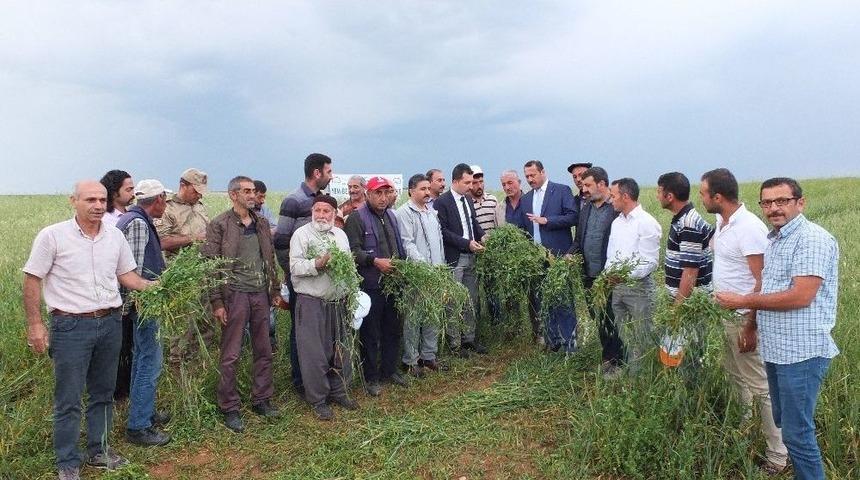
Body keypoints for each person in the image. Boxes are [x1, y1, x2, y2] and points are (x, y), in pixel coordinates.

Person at [23, 180, 154, 480]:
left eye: (102, 200)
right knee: (68, 399)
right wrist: (35, 325)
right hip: (70, 327)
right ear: (74, 201)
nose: (97, 205)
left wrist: (157, 287)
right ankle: (68, 461)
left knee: (103, 393)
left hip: (110, 323)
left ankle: (99, 451)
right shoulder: (53, 236)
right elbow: (32, 279)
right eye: (90, 200)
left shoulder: (114, 236)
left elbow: (127, 276)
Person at [716, 177, 839, 480]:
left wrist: (742, 301)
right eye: (767, 202)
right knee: (786, 423)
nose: (774, 208)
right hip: (777, 349)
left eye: (782, 201)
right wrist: (752, 323)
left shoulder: (812, 239)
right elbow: (767, 286)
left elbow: (801, 296)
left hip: (802, 352)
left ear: (800, 203)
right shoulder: (775, 240)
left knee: (797, 433)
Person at [699, 168, 788, 474]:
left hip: (743, 317)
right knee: (735, 375)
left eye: (703, 193)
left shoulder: (749, 227)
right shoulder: (722, 222)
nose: (701, 198)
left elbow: (762, 281)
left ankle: (778, 456)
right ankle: (744, 428)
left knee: (761, 386)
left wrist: (751, 324)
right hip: (725, 314)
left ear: (717, 197)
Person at [203, 176, 283, 433]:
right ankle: (229, 406)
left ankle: (262, 399)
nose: (252, 195)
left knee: (264, 349)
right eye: (246, 191)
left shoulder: (261, 223)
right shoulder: (220, 225)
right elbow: (211, 267)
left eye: (253, 191)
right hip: (234, 296)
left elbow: (269, 257)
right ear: (233, 195)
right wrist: (217, 302)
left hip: (260, 294)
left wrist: (274, 289)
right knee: (231, 354)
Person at [290, 195, 360, 420]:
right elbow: (294, 267)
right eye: (317, 210)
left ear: (334, 213)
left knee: (341, 350)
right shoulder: (301, 235)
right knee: (314, 354)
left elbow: (349, 266)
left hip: (338, 302)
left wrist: (353, 292)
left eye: (326, 211)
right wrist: (317, 264)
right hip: (312, 302)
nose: (321, 215)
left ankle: (339, 392)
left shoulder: (340, 235)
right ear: (312, 212)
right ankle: (318, 400)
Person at [115, 179, 172, 447]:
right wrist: (141, 300)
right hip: (143, 304)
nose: (166, 204)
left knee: (142, 358)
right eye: (165, 199)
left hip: (140, 304)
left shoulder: (132, 218)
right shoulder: (138, 223)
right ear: (158, 199)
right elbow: (134, 272)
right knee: (150, 360)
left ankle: (144, 411)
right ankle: (139, 425)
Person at [273, 153, 334, 395]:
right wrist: (293, 275)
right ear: (317, 173)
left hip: (323, 280)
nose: (331, 176)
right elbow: (281, 242)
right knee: (300, 330)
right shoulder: (294, 200)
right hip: (302, 279)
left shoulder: (320, 200)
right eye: (329, 171)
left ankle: (319, 375)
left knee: (320, 330)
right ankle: (300, 380)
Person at [345, 176, 409, 396]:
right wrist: (374, 261)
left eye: (386, 193)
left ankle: (389, 371)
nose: (383, 198)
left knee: (393, 329)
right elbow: (352, 251)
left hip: (393, 284)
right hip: (371, 286)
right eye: (378, 193)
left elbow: (398, 247)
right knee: (371, 334)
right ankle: (371, 378)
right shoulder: (356, 218)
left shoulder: (391, 215)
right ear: (368, 194)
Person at [517, 160, 578, 353]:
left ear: (543, 172)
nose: (530, 179)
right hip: (536, 260)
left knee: (563, 300)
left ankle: (570, 345)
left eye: (533, 175)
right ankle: (553, 343)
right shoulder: (526, 199)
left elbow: (572, 217)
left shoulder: (561, 191)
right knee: (543, 300)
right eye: (527, 176)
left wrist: (547, 220)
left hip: (558, 256)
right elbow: (523, 228)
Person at [155, 168, 213, 362]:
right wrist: (194, 238)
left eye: (201, 192)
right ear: (183, 185)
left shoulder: (200, 206)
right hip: (180, 272)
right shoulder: (168, 209)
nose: (199, 195)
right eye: (195, 191)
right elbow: (162, 242)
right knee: (183, 317)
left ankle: (200, 358)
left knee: (205, 315)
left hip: (204, 269)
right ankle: (178, 359)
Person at [569, 167, 623, 375]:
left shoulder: (616, 209)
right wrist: (569, 255)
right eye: (583, 186)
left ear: (602, 184)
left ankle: (619, 361)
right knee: (599, 318)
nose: (584, 190)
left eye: (588, 185)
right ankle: (608, 358)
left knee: (612, 318)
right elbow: (578, 240)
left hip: (610, 277)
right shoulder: (586, 210)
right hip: (589, 275)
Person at [657, 172, 714, 366]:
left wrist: (677, 309)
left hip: (690, 304)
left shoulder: (688, 224)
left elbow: (690, 272)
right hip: (686, 301)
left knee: (689, 354)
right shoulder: (683, 219)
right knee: (681, 352)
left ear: (669, 196)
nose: (657, 196)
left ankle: (693, 381)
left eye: (659, 192)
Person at [605, 178, 662, 371]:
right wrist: (608, 275)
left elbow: (650, 262)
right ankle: (633, 374)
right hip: (617, 287)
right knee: (625, 335)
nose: (610, 200)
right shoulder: (617, 223)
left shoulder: (647, 223)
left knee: (643, 335)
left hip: (638, 289)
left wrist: (623, 275)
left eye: (613, 196)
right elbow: (611, 255)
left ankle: (647, 377)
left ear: (625, 196)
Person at [433, 164, 487, 356]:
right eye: (467, 182)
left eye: (472, 182)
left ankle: (469, 340)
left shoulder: (468, 199)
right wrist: (466, 243)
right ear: (455, 181)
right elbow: (443, 231)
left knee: (470, 300)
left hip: (472, 256)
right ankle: (455, 344)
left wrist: (483, 236)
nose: (471, 186)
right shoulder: (442, 202)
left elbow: (473, 223)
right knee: (454, 301)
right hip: (455, 258)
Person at [395, 174, 446, 377]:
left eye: (427, 188)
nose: (427, 192)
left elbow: (439, 242)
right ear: (411, 191)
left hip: (436, 273)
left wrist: (441, 268)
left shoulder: (430, 212)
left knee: (432, 315)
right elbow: (407, 244)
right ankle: (410, 360)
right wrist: (424, 268)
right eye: (422, 189)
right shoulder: (404, 212)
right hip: (417, 275)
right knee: (413, 318)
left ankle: (428, 356)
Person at [99, 169, 136, 399]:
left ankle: (125, 386)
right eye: (128, 189)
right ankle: (115, 390)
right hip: (114, 291)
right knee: (117, 343)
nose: (133, 193)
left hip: (129, 288)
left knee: (127, 341)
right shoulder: (107, 221)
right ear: (114, 193)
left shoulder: (128, 215)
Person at [494, 169, 541, 342]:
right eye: (504, 184)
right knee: (511, 296)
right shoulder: (500, 207)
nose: (507, 187)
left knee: (534, 296)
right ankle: (515, 330)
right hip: (510, 260)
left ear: (519, 183)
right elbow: (499, 232)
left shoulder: (530, 201)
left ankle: (538, 332)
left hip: (531, 258)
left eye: (510, 183)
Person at [252, 179, 278, 352]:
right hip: (248, 272)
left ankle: (270, 343)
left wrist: (260, 234)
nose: (262, 201)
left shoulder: (265, 211)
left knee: (269, 310)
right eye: (260, 197)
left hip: (266, 267)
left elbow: (275, 229)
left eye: (264, 197)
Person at [469, 165, 499, 234]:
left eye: (481, 181)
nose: (479, 186)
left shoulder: (492, 200)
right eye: (475, 183)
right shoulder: (467, 203)